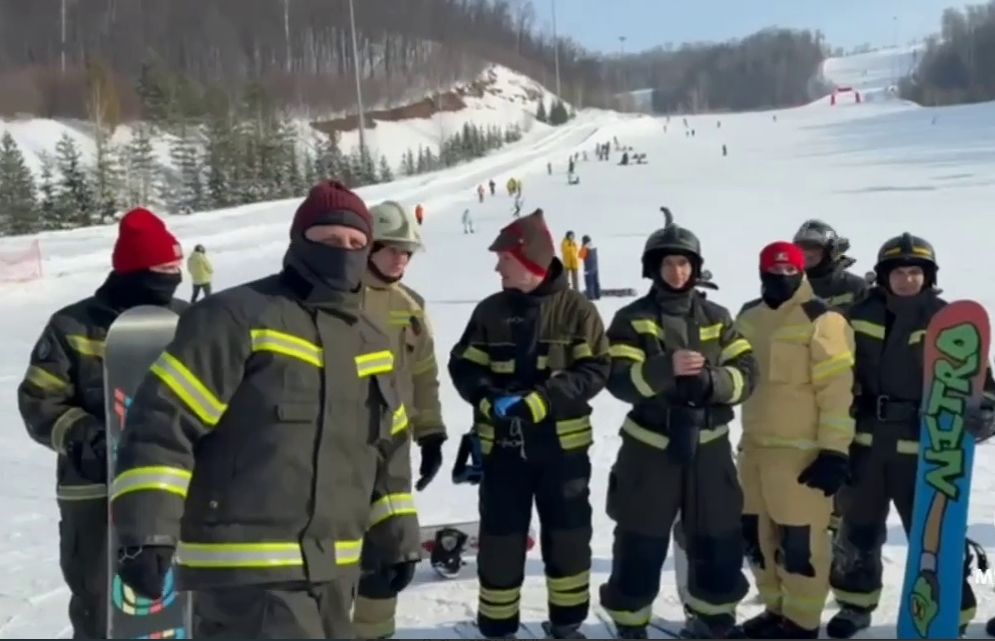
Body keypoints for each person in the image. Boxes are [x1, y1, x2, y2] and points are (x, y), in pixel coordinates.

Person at [108, 181, 420, 639]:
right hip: (247, 576)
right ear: (299, 241)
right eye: (329, 239)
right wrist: (147, 532)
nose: (344, 251)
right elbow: (163, 423)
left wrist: (396, 535)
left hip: (335, 573)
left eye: (356, 243)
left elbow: (387, 450)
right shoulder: (236, 318)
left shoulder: (370, 341)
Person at [17, 207, 188, 639]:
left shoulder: (188, 321)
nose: (173, 277)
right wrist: (80, 434)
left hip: (173, 487)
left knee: (176, 594)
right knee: (99, 597)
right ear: (133, 271)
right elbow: (38, 399)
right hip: (92, 491)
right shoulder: (72, 326)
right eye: (162, 269)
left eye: (176, 268)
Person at [448, 208, 610, 639]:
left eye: (504, 259)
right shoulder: (490, 310)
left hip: (563, 450)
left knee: (569, 537)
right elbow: (463, 364)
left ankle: (567, 622)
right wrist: (487, 397)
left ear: (530, 261)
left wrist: (540, 401)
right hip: (503, 449)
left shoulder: (577, 311)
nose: (496, 266)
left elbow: (595, 370)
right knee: (500, 540)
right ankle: (498, 626)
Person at [828, 233, 995, 639]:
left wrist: (984, 413)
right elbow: (829, 374)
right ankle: (856, 605)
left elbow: (981, 384)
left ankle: (953, 608)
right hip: (864, 444)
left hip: (924, 451)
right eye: (898, 272)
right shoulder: (855, 315)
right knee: (856, 530)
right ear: (884, 275)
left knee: (936, 533)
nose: (907, 279)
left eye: (915, 272)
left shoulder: (948, 320)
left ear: (928, 276)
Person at [598, 224, 757, 639]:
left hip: (709, 449)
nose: (676, 271)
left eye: (684, 262)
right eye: (667, 263)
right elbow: (618, 380)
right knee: (639, 538)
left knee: (719, 538)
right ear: (653, 268)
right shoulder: (632, 319)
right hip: (650, 449)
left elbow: (748, 374)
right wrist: (662, 368)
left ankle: (714, 618)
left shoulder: (718, 318)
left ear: (696, 268)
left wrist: (713, 383)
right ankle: (631, 622)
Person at [735, 241, 856, 639]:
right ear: (761, 272)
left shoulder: (822, 319)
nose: (782, 278)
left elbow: (837, 391)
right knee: (756, 539)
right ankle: (775, 610)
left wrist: (835, 451)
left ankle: (802, 624)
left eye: (790, 272)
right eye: (774, 272)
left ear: (802, 272)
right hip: (753, 450)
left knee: (801, 546)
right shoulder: (748, 317)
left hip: (801, 456)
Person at [353, 200, 447, 639]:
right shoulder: (337, 296)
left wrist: (431, 433)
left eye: (407, 252)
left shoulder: (411, 305)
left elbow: (424, 373)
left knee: (387, 554)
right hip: (335, 448)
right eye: (393, 249)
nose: (401, 260)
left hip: (392, 450)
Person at [793, 219, 867, 311]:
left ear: (829, 251)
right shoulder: (786, 285)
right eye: (798, 247)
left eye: (810, 246)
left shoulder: (855, 286)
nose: (802, 252)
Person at [578, 235, 600, 300]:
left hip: (588, 268)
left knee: (589, 283)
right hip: (595, 267)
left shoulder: (585, 248)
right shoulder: (593, 247)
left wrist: (582, 247)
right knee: (596, 282)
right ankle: (597, 295)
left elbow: (580, 256)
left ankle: (591, 296)